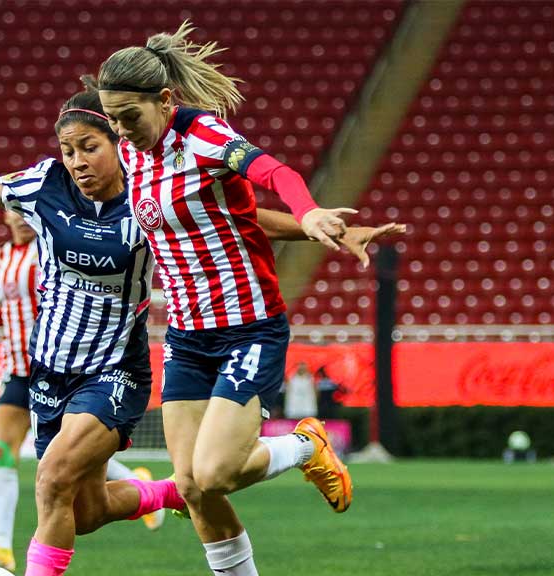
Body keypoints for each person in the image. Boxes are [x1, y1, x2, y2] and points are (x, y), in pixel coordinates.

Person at [0, 83, 399, 575]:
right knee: (85, 512)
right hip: (49, 370)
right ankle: (175, 489)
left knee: (49, 481)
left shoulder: (148, 195)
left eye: (89, 147)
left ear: (118, 146)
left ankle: (231, 471)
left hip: (113, 372)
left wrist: (319, 226)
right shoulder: (43, 185)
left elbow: (243, 218)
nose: (76, 160)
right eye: (68, 149)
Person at [97, 22, 359, 575]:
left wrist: (309, 212)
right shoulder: (132, 150)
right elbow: (238, 216)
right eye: (113, 119)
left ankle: (306, 447)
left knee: (215, 473)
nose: (121, 130)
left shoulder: (204, 136)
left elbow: (273, 172)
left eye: (129, 117)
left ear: (165, 100)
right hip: (188, 336)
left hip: (249, 326)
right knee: (193, 486)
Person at [0, 211, 164, 571]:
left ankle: (134, 481)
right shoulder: (0, 257)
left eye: (24, 214)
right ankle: (1, 545)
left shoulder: (52, 249)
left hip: (58, 368)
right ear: (4, 215)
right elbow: (12, 308)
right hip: (15, 370)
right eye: (12, 213)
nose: (19, 220)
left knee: (66, 461)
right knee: (4, 452)